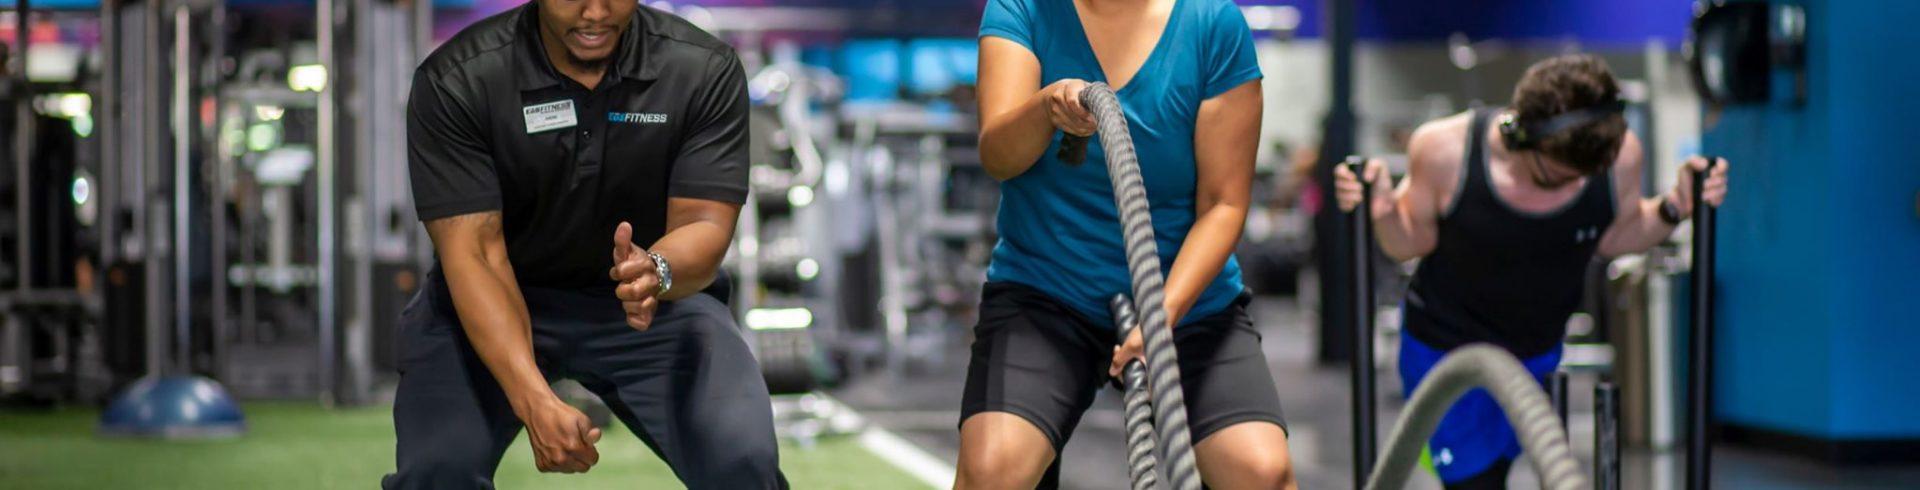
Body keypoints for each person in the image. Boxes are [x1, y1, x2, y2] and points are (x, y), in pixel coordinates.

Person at [385, 0, 785, 488]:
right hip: (496, 294)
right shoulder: (459, 78)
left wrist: (655, 271)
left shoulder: (701, 68)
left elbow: (704, 223)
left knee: (743, 464)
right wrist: (532, 397)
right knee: (436, 473)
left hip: (648, 304)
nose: (595, 12)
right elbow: (476, 253)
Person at [1334, 54, 1731, 489]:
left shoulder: (1619, 157)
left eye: (1585, 178)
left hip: (1538, 351)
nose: (1575, 188)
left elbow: (1616, 235)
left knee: (1508, 468)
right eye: (1560, 177)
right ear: (1518, 137)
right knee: (1474, 484)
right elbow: (1407, 242)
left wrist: (1675, 206)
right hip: (1444, 354)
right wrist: (1383, 212)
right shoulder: (1444, 151)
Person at [961, 0, 1295, 488]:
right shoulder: (1023, 8)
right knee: (991, 474)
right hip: (1048, 292)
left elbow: (1223, 205)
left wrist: (1160, 320)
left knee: (1262, 473)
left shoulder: (1211, 23)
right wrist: (1045, 107)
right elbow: (998, 155)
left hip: (1185, 299)